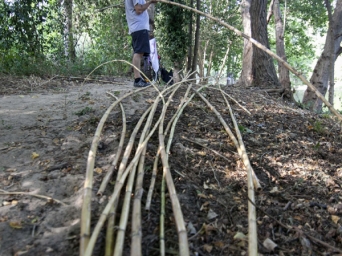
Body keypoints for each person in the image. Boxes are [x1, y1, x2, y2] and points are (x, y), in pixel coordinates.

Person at [125, 0, 158, 87]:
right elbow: (139, 9)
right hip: (138, 27)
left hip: (137, 27)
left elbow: (140, 6)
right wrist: (150, 2)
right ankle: (137, 79)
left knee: (139, 52)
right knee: (138, 53)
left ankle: (138, 78)